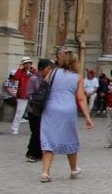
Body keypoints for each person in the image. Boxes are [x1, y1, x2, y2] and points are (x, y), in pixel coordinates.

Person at [39, 50, 93, 182]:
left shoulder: (53, 73)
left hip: (51, 108)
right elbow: (81, 98)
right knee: (70, 138)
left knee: (48, 139)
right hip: (68, 109)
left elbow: (43, 86)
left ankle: (45, 172)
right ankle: (73, 169)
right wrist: (87, 117)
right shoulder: (77, 77)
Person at [26, 58, 55, 162]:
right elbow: (28, 94)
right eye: (48, 68)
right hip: (34, 109)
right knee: (36, 131)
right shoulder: (34, 79)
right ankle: (31, 153)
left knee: (41, 132)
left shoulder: (49, 79)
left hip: (44, 109)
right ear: (42, 68)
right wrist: (36, 102)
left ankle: (38, 152)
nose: (50, 70)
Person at [9, 58, 35, 135]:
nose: (27, 64)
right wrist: (19, 69)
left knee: (34, 112)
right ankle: (15, 128)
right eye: (26, 63)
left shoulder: (34, 71)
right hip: (23, 93)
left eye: (29, 63)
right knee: (20, 111)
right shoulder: (21, 71)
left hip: (33, 94)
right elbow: (16, 78)